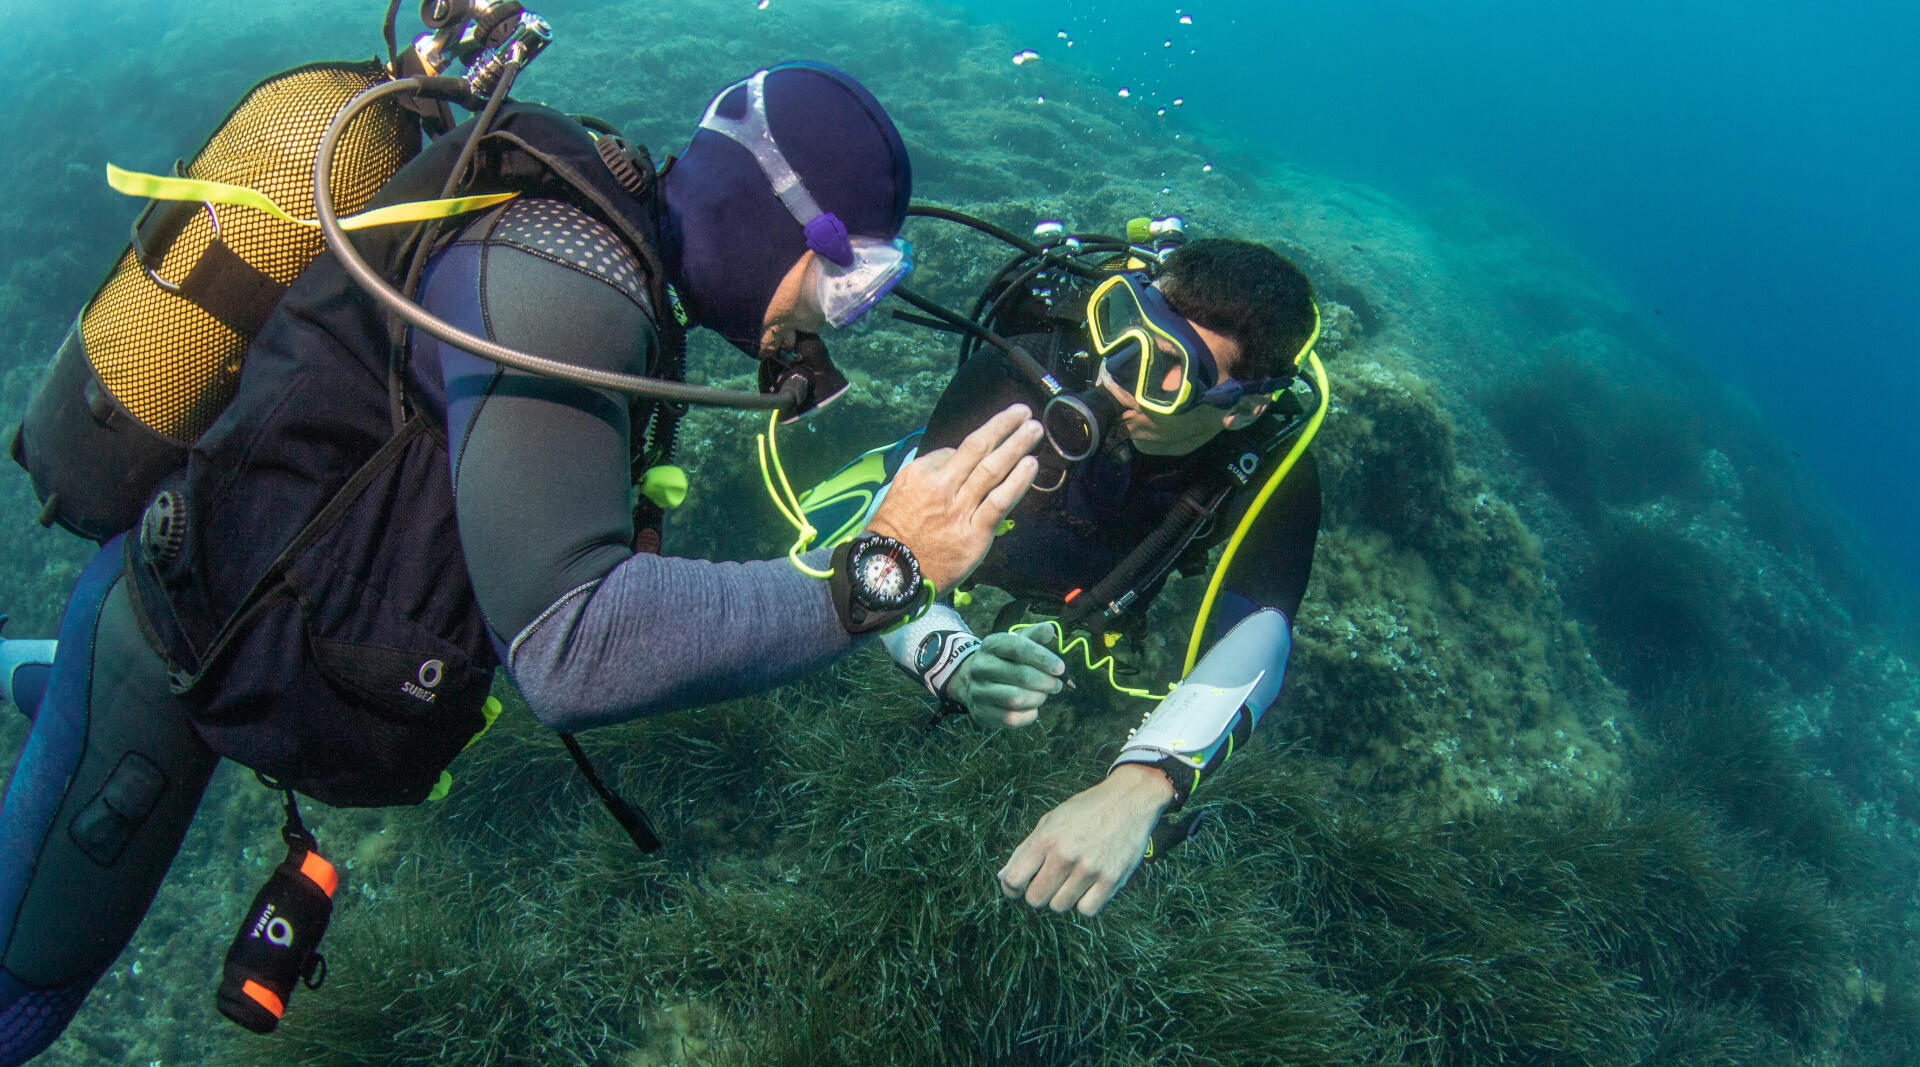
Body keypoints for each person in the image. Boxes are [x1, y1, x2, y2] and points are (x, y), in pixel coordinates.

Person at [0, 62, 1040, 1062]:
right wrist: (876, 572)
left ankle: (35, 674)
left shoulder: (610, 247)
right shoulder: (567, 279)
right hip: (169, 662)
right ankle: (64, 689)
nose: (836, 315)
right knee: (23, 1000)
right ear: (775, 215)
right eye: (848, 275)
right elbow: (569, 647)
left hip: (247, 623)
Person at [818, 234, 1324, 918]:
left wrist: (1143, 784)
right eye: (1127, 328)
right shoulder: (1019, 376)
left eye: (1170, 367)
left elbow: (1262, 629)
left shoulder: (1272, 464)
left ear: (1243, 407)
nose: (1118, 374)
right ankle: (898, 456)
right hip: (986, 545)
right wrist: (957, 664)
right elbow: (889, 555)